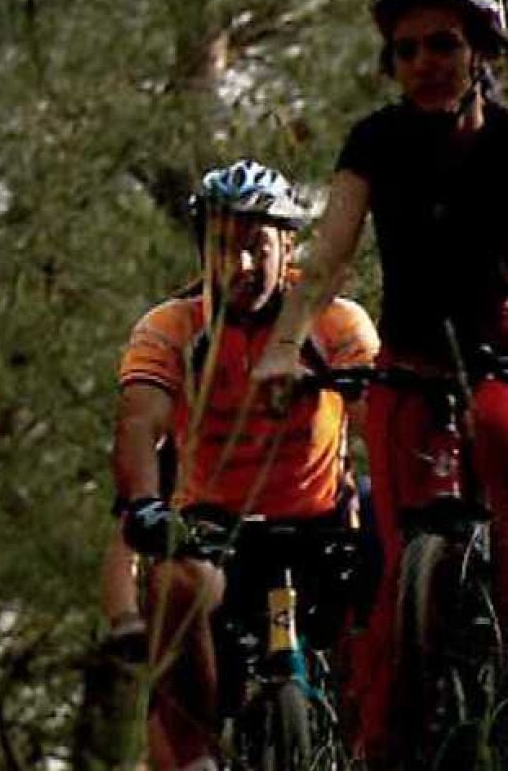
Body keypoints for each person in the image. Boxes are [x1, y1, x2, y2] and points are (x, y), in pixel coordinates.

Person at [254, 0, 508, 766]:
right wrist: (286, 346)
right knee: (397, 577)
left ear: (482, 51)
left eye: (443, 44)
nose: (425, 64)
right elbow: (326, 257)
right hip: (407, 368)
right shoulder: (377, 141)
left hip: (501, 365)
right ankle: (384, 750)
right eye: (406, 50)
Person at [115, 161, 377, 770]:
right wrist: (144, 505)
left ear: (287, 245)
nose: (241, 267)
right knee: (173, 584)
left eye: (257, 247)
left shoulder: (335, 319)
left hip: (323, 526)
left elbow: (374, 415)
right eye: (223, 248)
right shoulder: (171, 327)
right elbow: (139, 422)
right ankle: (197, 757)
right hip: (213, 530)